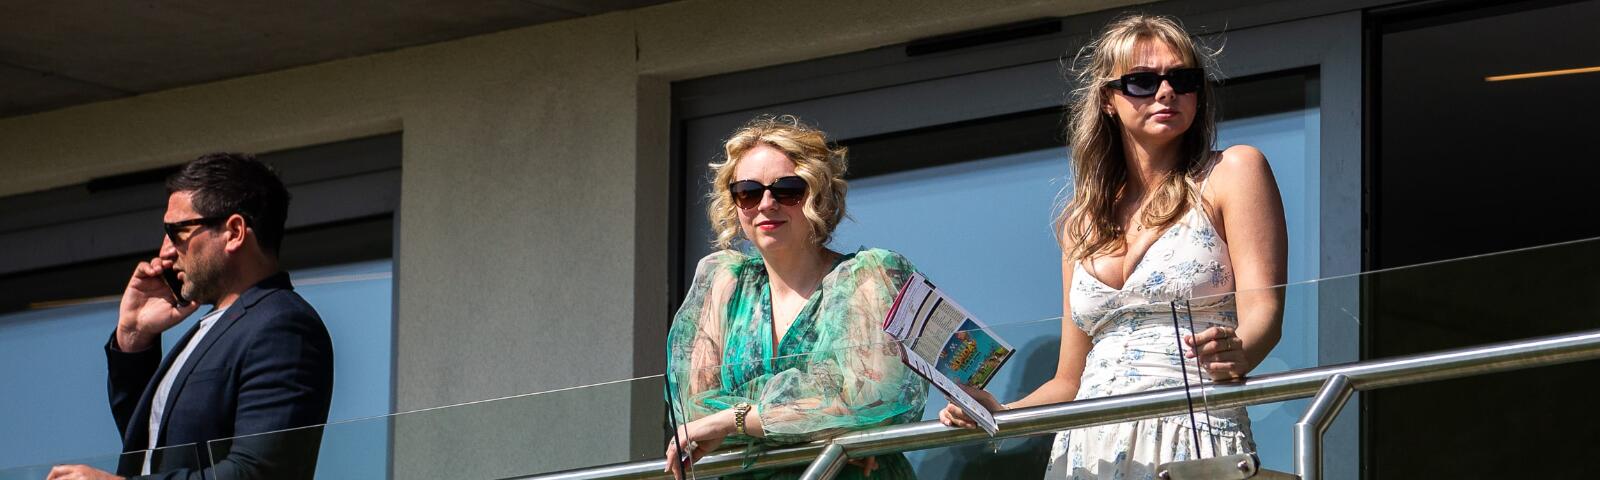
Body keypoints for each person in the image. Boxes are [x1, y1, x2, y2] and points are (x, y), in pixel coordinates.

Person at [938, 14, 1288, 479]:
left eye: (1183, 80)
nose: (1166, 92)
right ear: (1108, 99)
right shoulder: (1081, 224)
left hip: (1193, 425)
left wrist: (1240, 350)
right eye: (1143, 82)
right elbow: (1070, 379)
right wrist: (1001, 413)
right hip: (1088, 447)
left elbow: (1264, 310)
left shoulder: (1233, 172)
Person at [663, 116, 926, 480]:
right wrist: (823, 423)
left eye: (787, 189)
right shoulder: (723, 283)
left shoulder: (869, 277)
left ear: (818, 194)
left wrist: (734, 418)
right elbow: (695, 417)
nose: (767, 203)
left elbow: (874, 405)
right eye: (748, 192)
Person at [49, 153, 334, 480]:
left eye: (177, 231)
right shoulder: (217, 326)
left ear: (234, 232)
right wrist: (135, 338)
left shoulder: (281, 325)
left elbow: (261, 472)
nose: (165, 251)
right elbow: (154, 445)